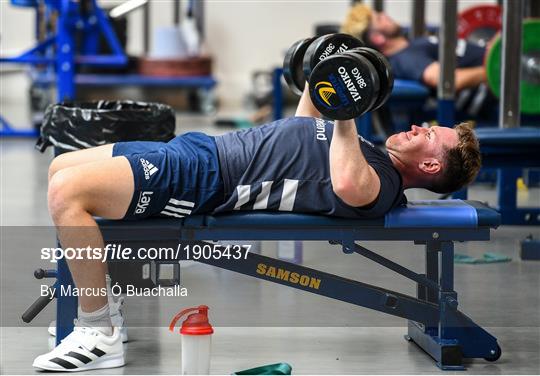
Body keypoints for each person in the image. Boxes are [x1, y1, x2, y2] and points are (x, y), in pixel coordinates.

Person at [33, 81, 481, 371]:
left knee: (68, 195)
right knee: (63, 168)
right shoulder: (370, 152)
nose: (418, 127)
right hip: (201, 150)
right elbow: (304, 128)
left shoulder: (379, 181)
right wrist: (320, 73)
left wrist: (348, 110)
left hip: (208, 178)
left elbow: (347, 184)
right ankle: (104, 308)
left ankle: (99, 330)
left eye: (429, 135)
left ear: (428, 163)